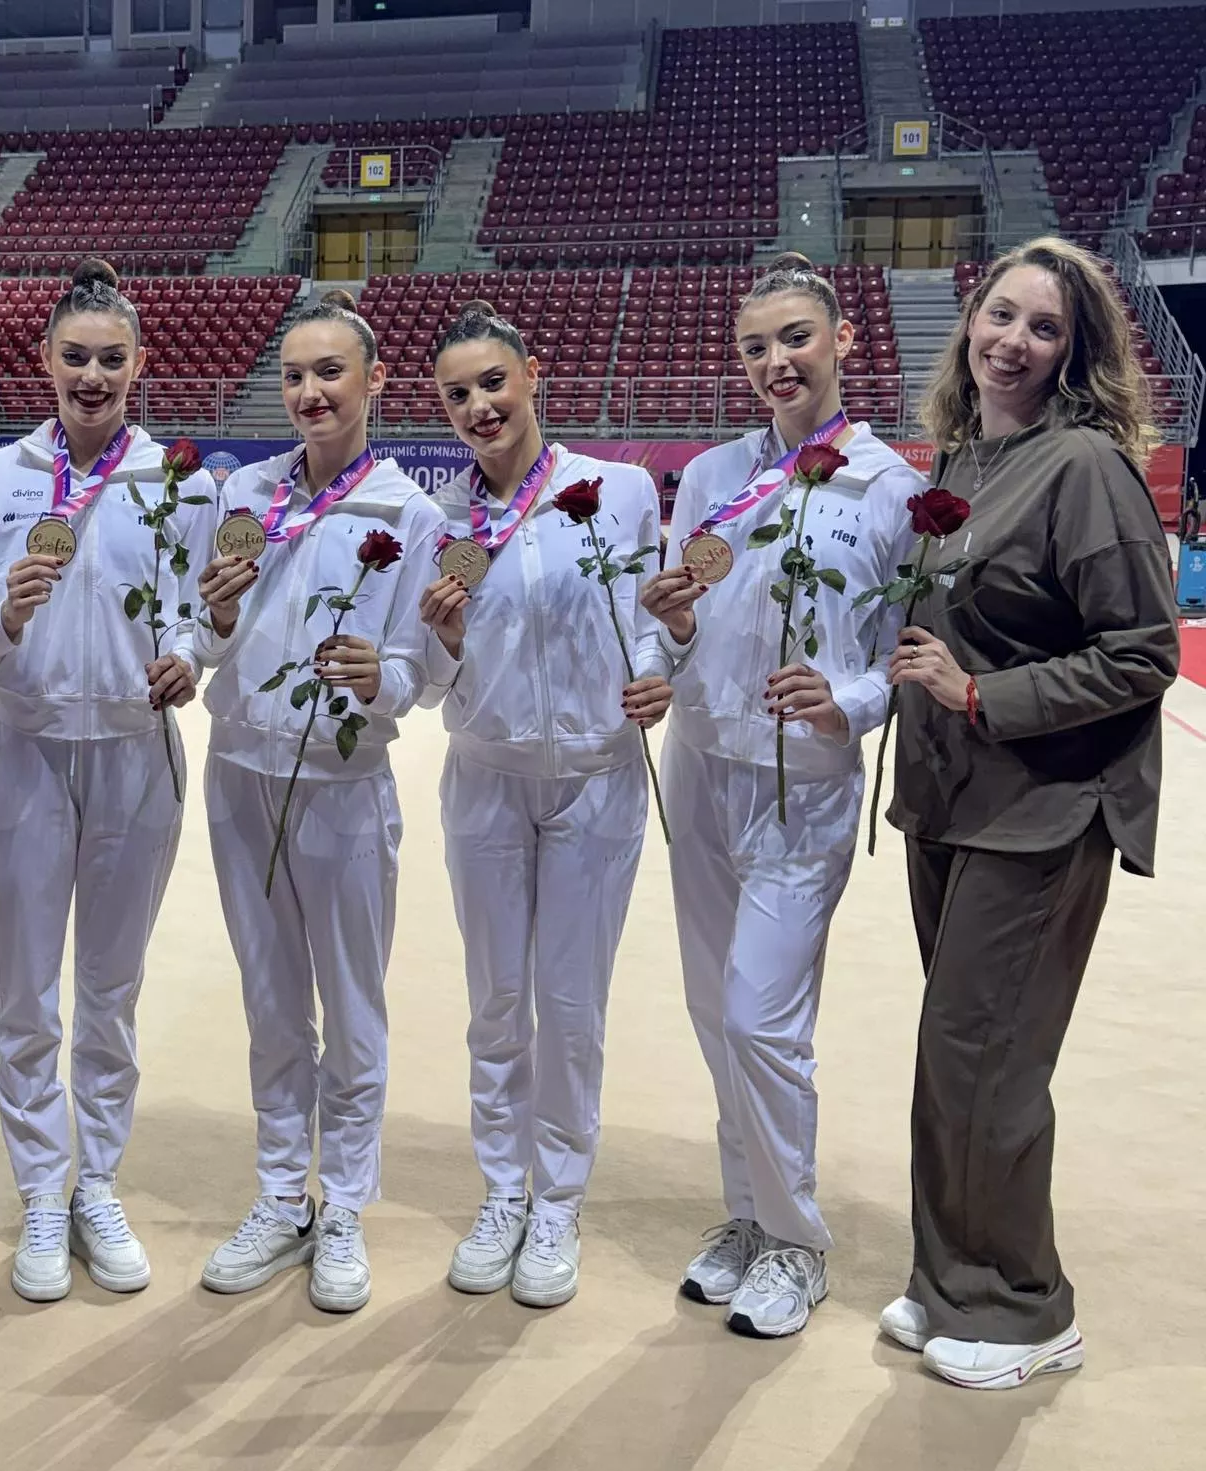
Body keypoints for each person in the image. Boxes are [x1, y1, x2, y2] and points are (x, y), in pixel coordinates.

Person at [881, 237, 1178, 1389]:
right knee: (952, 1054)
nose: (1010, 341)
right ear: (969, 323)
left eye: (1041, 328)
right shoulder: (961, 455)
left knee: (985, 1060)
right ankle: (947, 1279)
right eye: (998, 315)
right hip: (953, 803)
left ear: (1073, 354)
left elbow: (1142, 651)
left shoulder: (1082, 469)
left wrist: (978, 694)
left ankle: (1020, 1310)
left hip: (1044, 808)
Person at [641, 253, 924, 1340]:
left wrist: (844, 700)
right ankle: (746, 1217)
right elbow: (675, 624)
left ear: (843, 341)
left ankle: (798, 1242)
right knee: (716, 1013)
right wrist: (665, 626)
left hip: (801, 787)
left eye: (794, 338)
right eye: (754, 345)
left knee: (763, 1018)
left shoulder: (889, 491)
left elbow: (898, 652)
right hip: (703, 767)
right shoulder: (708, 477)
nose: (774, 362)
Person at [0, 258, 216, 1303]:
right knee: (27, 991)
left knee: (109, 992)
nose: (92, 376)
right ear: (44, 363)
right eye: (75, 358)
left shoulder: (184, 481)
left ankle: (95, 1181)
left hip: (136, 754)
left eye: (111, 358)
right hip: (22, 749)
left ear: (140, 364)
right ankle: (38, 1191)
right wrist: (4, 617)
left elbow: (203, 612)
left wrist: (188, 655)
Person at [417, 300, 676, 1308]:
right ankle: (500, 1190)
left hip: (594, 780)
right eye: (456, 395)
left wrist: (661, 674)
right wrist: (440, 639)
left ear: (530, 376)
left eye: (491, 382)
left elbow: (649, 619)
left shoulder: (613, 492)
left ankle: (557, 1196)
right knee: (494, 1001)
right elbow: (431, 687)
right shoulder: (446, 529)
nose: (478, 406)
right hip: (484, 776)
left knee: (568, 1006)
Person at [195, 288, 443, 1314]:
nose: (308, 392)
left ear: (373, 382)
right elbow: (199, 632)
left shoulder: (409, 513)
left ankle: (341, 1203)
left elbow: (421, 668)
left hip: (342, 785)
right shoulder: (239, 493)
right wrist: (207, 620)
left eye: (328, 372)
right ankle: (276, 1195)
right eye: (293, 375)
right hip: (239, 773)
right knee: (267, 1000)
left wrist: (370, 677)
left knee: (349, 1003)